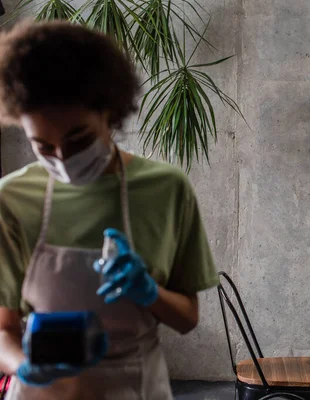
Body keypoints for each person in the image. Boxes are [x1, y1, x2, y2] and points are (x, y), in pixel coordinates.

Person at [0, 21, 218, 399]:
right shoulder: (12, 198)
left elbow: (187, 318)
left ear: (110, 113)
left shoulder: (166, 190)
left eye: (78, 139)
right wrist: (24, 365)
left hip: (135, 386)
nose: (64, 159)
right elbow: (4, 328)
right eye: (43, 147)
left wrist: (149, 292)